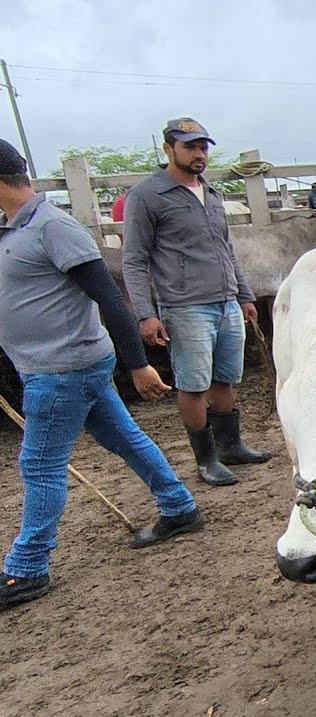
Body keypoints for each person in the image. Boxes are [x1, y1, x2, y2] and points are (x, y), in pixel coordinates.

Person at [0, 138, 205, 612]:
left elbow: (111, 299)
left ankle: (27, 568)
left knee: (39, 465)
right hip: (62, 366)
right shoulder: (17, 229)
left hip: (61, 370)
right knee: (124, 438)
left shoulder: (53, 227)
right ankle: (178, 506)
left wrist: (137, 364)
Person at [123, 117, 272, 487]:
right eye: (189, 147)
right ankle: (206, 459)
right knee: (193, 383)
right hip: (185, 304)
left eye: (203, 147)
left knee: (226, 377)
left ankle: (230, 446)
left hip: (225, 301)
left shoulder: (212, 193)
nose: (198, 154)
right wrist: (145, 314)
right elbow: (134, 259)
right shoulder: (147, 196)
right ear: (168, 149)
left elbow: (226, 249)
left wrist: (243, 293)